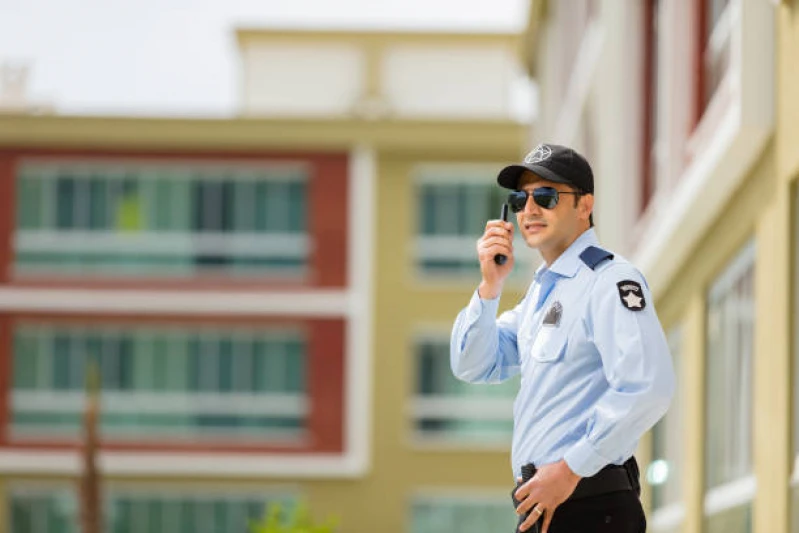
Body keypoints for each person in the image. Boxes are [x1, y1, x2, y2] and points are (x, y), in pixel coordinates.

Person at [449, 143, 675, 533]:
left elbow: (648, 387)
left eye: (546, 196)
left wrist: (571, 469)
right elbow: (473, 363)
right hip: (547, 506)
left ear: (584, 205)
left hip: (590, 504)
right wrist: (490, 286)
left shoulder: (609, 281)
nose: (529, 209)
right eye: (520, 200)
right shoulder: (541, 295)